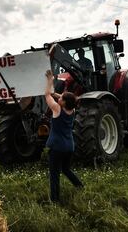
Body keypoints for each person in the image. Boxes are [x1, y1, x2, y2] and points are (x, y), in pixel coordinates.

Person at [45, 69, 83, 203]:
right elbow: (65, 97)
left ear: (63, 103)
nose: (59, 98)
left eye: (61, 98)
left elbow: (47, 95)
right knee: (66, 169)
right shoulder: (72, 110)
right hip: (69, 147)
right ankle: (79, 185)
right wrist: (57, 94)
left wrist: (50, 79)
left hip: (57, 148)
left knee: (54, 175)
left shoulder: (57, 110)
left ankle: (54, 200)